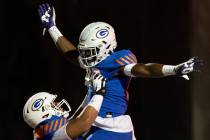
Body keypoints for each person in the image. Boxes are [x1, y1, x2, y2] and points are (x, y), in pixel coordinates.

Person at [37, 3, 202, 140]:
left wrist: (173, 69)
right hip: (95, 123)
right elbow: (71, 54)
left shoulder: (116, 62)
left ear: (106, 47)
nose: (85, 56)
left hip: (112, 128)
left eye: (90, 51)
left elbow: (145, 68)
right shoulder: (96, 59)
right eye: (85, 51)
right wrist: (52, 27)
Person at [23, 73, 106, 140]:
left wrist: (90, 91)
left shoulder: (43, 132)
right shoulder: (48, 134)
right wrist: (99, 92)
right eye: (53, 104)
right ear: (45, 112)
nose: (58, 104)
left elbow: (76, 118)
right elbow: (84, 122)